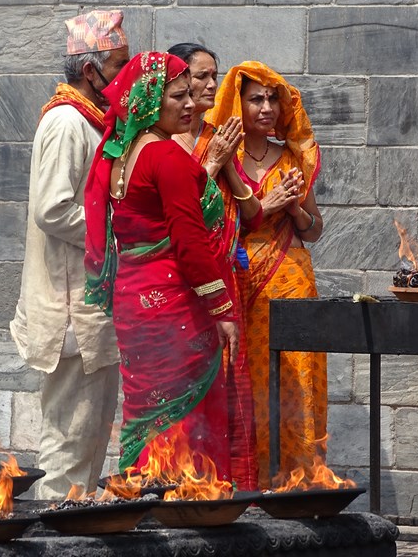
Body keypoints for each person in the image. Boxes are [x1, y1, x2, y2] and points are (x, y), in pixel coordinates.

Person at [84, 51, 240, 477]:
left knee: (144, 413)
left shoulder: (120, 152)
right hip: (172, 305)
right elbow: (190, 244)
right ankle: (181, 513)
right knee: (183, 417)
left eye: (191, 94)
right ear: (150, 100)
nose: (190, 104)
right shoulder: (166, 157)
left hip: (133, 304)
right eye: (178, 95)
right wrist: (223, 310)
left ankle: (142, 503)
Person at [9, 10, 130, 499]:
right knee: (69, 443)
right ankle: (56, 535)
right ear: (90, 71)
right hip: (72, 308)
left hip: (89, 304)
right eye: (119, 67)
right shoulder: (65, 122)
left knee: (87, 436)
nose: (125, 79)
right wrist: (118, 237)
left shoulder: (90, 121)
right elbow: (53, 209)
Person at [207, 61, 326, 489]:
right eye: (256, 98)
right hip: (238, 280)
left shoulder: (293, 158)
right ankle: (247, 483)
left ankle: (297, 482)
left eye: (273, 98)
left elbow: (314, 229)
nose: (267, 107)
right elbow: (210, 224)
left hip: (290, 279)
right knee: (247, 384)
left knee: (295, 379)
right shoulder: (221, 157)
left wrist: (294, 209)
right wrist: (267, 205)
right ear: (236, 104)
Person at [167, 43, 262, 490]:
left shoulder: (216, 135)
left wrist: (227, 169)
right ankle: (181, 487)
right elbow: (175, 209)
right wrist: (210, 165)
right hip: (179, 282)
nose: (208, 86)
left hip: (223, 277)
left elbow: (252, 212)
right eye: (199, 77)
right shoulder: (159, 141)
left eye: (213, 76)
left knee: (229, 392)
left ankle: (228, 491)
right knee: (187, 391)